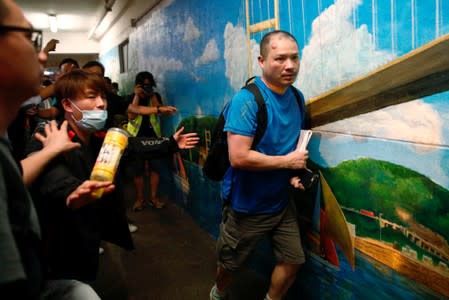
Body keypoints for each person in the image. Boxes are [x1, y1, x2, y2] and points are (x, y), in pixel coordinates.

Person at [0, 1, 102, 298]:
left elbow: (11, 177)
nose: (43, 55)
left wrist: (48, 152)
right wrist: (69, 189)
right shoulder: (47, 131)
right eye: (30, 39)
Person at [210, 30, 309, 300]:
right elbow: (238, 157)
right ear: (262, 61)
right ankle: (218, 293)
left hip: (280, 200)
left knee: (293, 260)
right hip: (246, 205)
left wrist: (292, 174)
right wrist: (287, 162)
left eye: (294, 58)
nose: (289, 66)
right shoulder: (247, 100)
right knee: (231, 265)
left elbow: (285, 144)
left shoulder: (298, 98)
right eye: (279, 59)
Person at [126, 71, 177, 210]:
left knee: (155, 169)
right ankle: (140, 200)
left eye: (149, 85)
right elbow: (131, 115)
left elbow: (159, 110)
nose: (147, 88)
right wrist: (137, 95)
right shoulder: (131, 97)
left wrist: (152, 95)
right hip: (136, 139)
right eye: (144, 86)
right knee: (138, 171)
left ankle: (153, 198)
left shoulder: (154, 96)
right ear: (138, 85)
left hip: (154, 138)